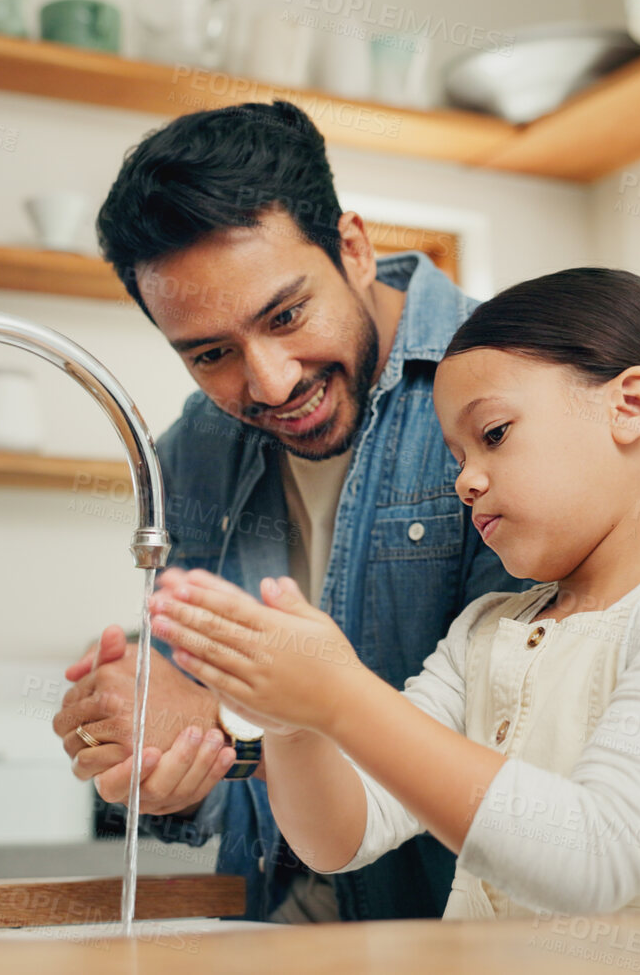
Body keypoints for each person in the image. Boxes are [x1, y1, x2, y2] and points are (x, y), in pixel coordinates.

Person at [146, 268, 640, 918]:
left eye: (492, 435)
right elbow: (339, 838)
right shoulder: (484, 629)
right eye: (457, 457)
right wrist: (293, 722)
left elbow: (596, 862)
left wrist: (340, 695)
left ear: (628, 405)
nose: (465, 482)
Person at [51, 100, 526, 922]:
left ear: (353, 245)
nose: (269, 382)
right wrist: (165, 759)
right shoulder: (190, 454)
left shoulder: (514, 385)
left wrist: (232, 722)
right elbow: (217, 765)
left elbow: (530, 741)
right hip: (279, 928)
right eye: (211, 353)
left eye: (285, 316)